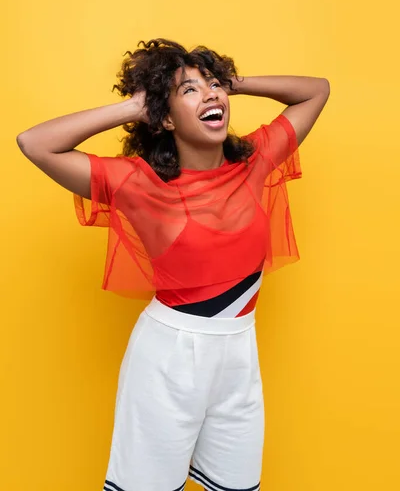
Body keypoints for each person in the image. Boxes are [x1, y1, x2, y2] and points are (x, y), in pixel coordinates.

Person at [17, 38, 330, 491]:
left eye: (214, 86)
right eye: (189, 90)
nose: (210, 95)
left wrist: (233, 83)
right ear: (164, 117)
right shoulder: (139, 184)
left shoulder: (255, 162)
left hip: (239, 354)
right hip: (169, 360)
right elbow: (35, 143)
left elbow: (316, 90)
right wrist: (133, 107)